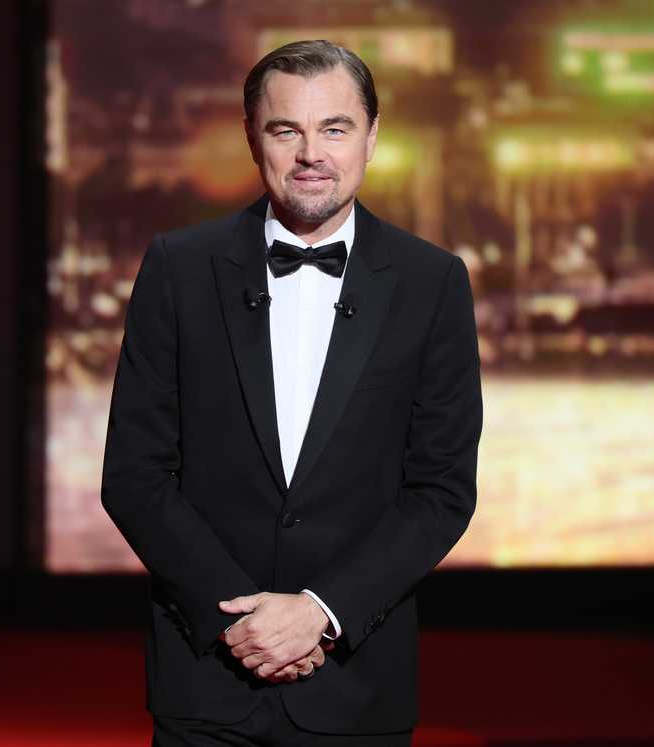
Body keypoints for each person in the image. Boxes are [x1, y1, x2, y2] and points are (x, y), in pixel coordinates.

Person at [101, 39, 482, 745]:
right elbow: (135, 477)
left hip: (357, 687)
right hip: (207, 682)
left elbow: (441, 490)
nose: (312, 151)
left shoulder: (434, 284)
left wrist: (321, 610)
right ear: (254, 140)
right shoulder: (177, 270)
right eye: (287, 129)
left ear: (372, 137)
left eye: (334, 128)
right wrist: (240, 622)